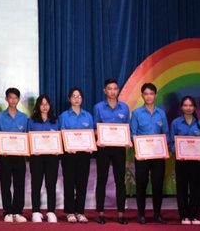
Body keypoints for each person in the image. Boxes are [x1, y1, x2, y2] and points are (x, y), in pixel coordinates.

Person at [130, 83, 168, 224]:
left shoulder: (161, 113)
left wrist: (163, 146)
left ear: (155, 96)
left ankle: (157, 214)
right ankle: (141, 214)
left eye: (151, 94)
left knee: (158, 184)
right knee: (141, 185)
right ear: (142, 96)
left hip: (158, 156)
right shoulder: (136, 113)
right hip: (142, 156)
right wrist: (141, 146)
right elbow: (133, 133)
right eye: (146, 94)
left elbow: (166, 134)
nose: (149, 96)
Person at [93, 78, 130, 225]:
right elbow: (95, 128)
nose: (113, 91)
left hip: (119, 148)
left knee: (120, 181)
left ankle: (121, 214)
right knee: (101, 180)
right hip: (103, 148)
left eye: (115, 89)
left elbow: (127, 127)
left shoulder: (125, 108)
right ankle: (100, 214)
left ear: (118, 90)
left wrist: (126, 139)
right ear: (105, 91)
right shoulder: (98, 107)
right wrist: (99, 135)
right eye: (110, 89)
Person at [59, 87, 94, 223]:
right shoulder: (64, 116)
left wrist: (90, 146)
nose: (76, 99)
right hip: (69, 154)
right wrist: (68, 147)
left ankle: (80, 212)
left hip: (84, 155)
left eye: (79, 96)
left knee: (82, 183)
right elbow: (62, 134)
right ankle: (69, 212)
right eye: (74, 96)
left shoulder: (88, 116)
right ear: (69, 99)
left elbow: (91, 134)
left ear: (82, 99)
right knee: (69, 183)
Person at [169, 96, 200, 225]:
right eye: (185, 105)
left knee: (195, 188)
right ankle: (184, 215)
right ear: (181, 107)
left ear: (194, 107)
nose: (188, 108)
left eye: (190, 105)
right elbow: (172, 142)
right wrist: (178, 152)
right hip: (181, 161)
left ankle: (195, 216)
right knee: (182, 188)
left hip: (196, 162)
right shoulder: (176, 123)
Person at [0, 87, 29, 223]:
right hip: (5, 156)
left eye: (16, 98)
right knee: (5, 184)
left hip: (20, 157)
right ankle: (8, 212)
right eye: (11, 97)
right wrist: (1, 149)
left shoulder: (23, 117)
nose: (13, 100)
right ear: (6, 99)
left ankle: (18, 212)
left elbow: (26, 136)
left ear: (19, 99)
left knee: (19, 184)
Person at [27, 94, 60, 223]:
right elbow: (28, 138)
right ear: (38, 106)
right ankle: (36, 211)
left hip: (52, 158)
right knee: (36, 184)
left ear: (50, 106)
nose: (45, 106)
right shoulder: (32, 121)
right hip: (36, 158)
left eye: (47, 104)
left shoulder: (55, 121)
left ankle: (51, 211)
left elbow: (60, 138)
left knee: (51, 184)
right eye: (42, 104)